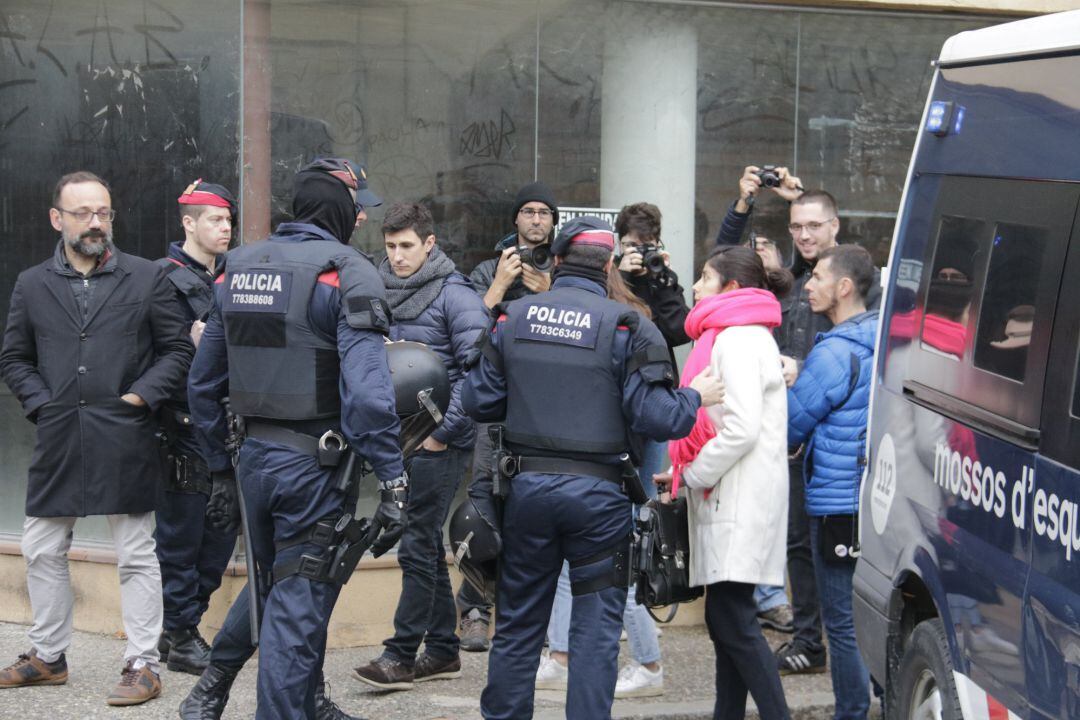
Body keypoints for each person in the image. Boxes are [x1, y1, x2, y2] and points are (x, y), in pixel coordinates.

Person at [462, 216, 725, 720]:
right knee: (596, 632)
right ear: (608, 267)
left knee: (518, 625)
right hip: (601, 500)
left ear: (555, 261)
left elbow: (478, 401)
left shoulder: (512, 317)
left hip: (527, 493)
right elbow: (657, 418)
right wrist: (695, 396)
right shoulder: (628, 326)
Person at [184, 157, 406, 720]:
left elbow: (203, 382)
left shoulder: (238, 265)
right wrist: (394, 476)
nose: (360, 220)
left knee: (280, 588)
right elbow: (371, 394)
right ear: (338, 210)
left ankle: (242, 694)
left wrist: (217, 470)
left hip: (251, 462)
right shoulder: (346, 269)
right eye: (356, 209)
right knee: (297, 603)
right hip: (313, 467)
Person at [0, 171, 194, 705]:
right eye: (83, 213)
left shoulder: (146, 277)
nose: (95, 223)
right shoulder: (33, 283)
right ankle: (48, 656)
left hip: (125, 431)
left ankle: (142, 664)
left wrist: (140, 398)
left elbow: (177, 350)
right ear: (57, 219)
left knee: (135, 552)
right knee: (40, 547)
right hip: (59, 433)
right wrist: (41, 403)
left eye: (103, 213)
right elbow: (13, 357)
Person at [353, 203, 488, 689]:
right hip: (397, 442)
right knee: (426, 546)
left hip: (440, 443)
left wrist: (439, 435)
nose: (397, 256)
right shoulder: (378, 287)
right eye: (390, 247)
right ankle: (445, 650)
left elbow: (478, 377)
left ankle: (400, 655)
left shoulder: (456, 294)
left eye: (406, 246)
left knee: (415, 544)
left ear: (429, 243)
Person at [657, 245, 793, 720]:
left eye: (705, 277)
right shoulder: (735, 335)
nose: (695, 287)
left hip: (738, 496)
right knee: (726, 621)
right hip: (733, 493)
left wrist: (692, 473)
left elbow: (740, 427)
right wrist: (682, 470)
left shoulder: (736, 338)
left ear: (731, 288)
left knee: (731, 620)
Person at [535, 266, 668, 699]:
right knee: (577, 572)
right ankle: (560, 655)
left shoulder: (618, 331)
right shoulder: (632, 325)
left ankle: (648, 663)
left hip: (620, 475)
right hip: (616, 475)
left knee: (622, 577)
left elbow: (649, 418)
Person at [457, 180, 559, 652]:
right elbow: (466, 334)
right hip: (494, 410)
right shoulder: (485, 271)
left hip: (540, 413)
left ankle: (522, 619)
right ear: (515, 220)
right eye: (528, 212)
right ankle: (474, 612)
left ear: (553, 222)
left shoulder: (562, 272)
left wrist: (550, 291)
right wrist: (499, 284)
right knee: (482, 508)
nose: (536, 219)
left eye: (544, 212)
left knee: (529, 515)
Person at [787, 244, 878, 720]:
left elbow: (790, 424)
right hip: (878, 502)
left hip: (836, 504)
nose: (808, 284)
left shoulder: (836, 352)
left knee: (841, 624)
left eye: (818, 276)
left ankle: (851, 712)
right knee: (878, 615)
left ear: (844, 287)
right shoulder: (884, 340)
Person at [154, 180, 239, 675]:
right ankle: (183, 635)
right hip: (182, 426)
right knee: (180, 539)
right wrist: (190, 341)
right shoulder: (161, 278)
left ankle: (180, 627)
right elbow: (152, 348)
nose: (224, 227)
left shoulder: (239, 274)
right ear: (189, 223)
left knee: (220, 536)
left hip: (226, 423)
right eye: (214, 219)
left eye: (228, 220)